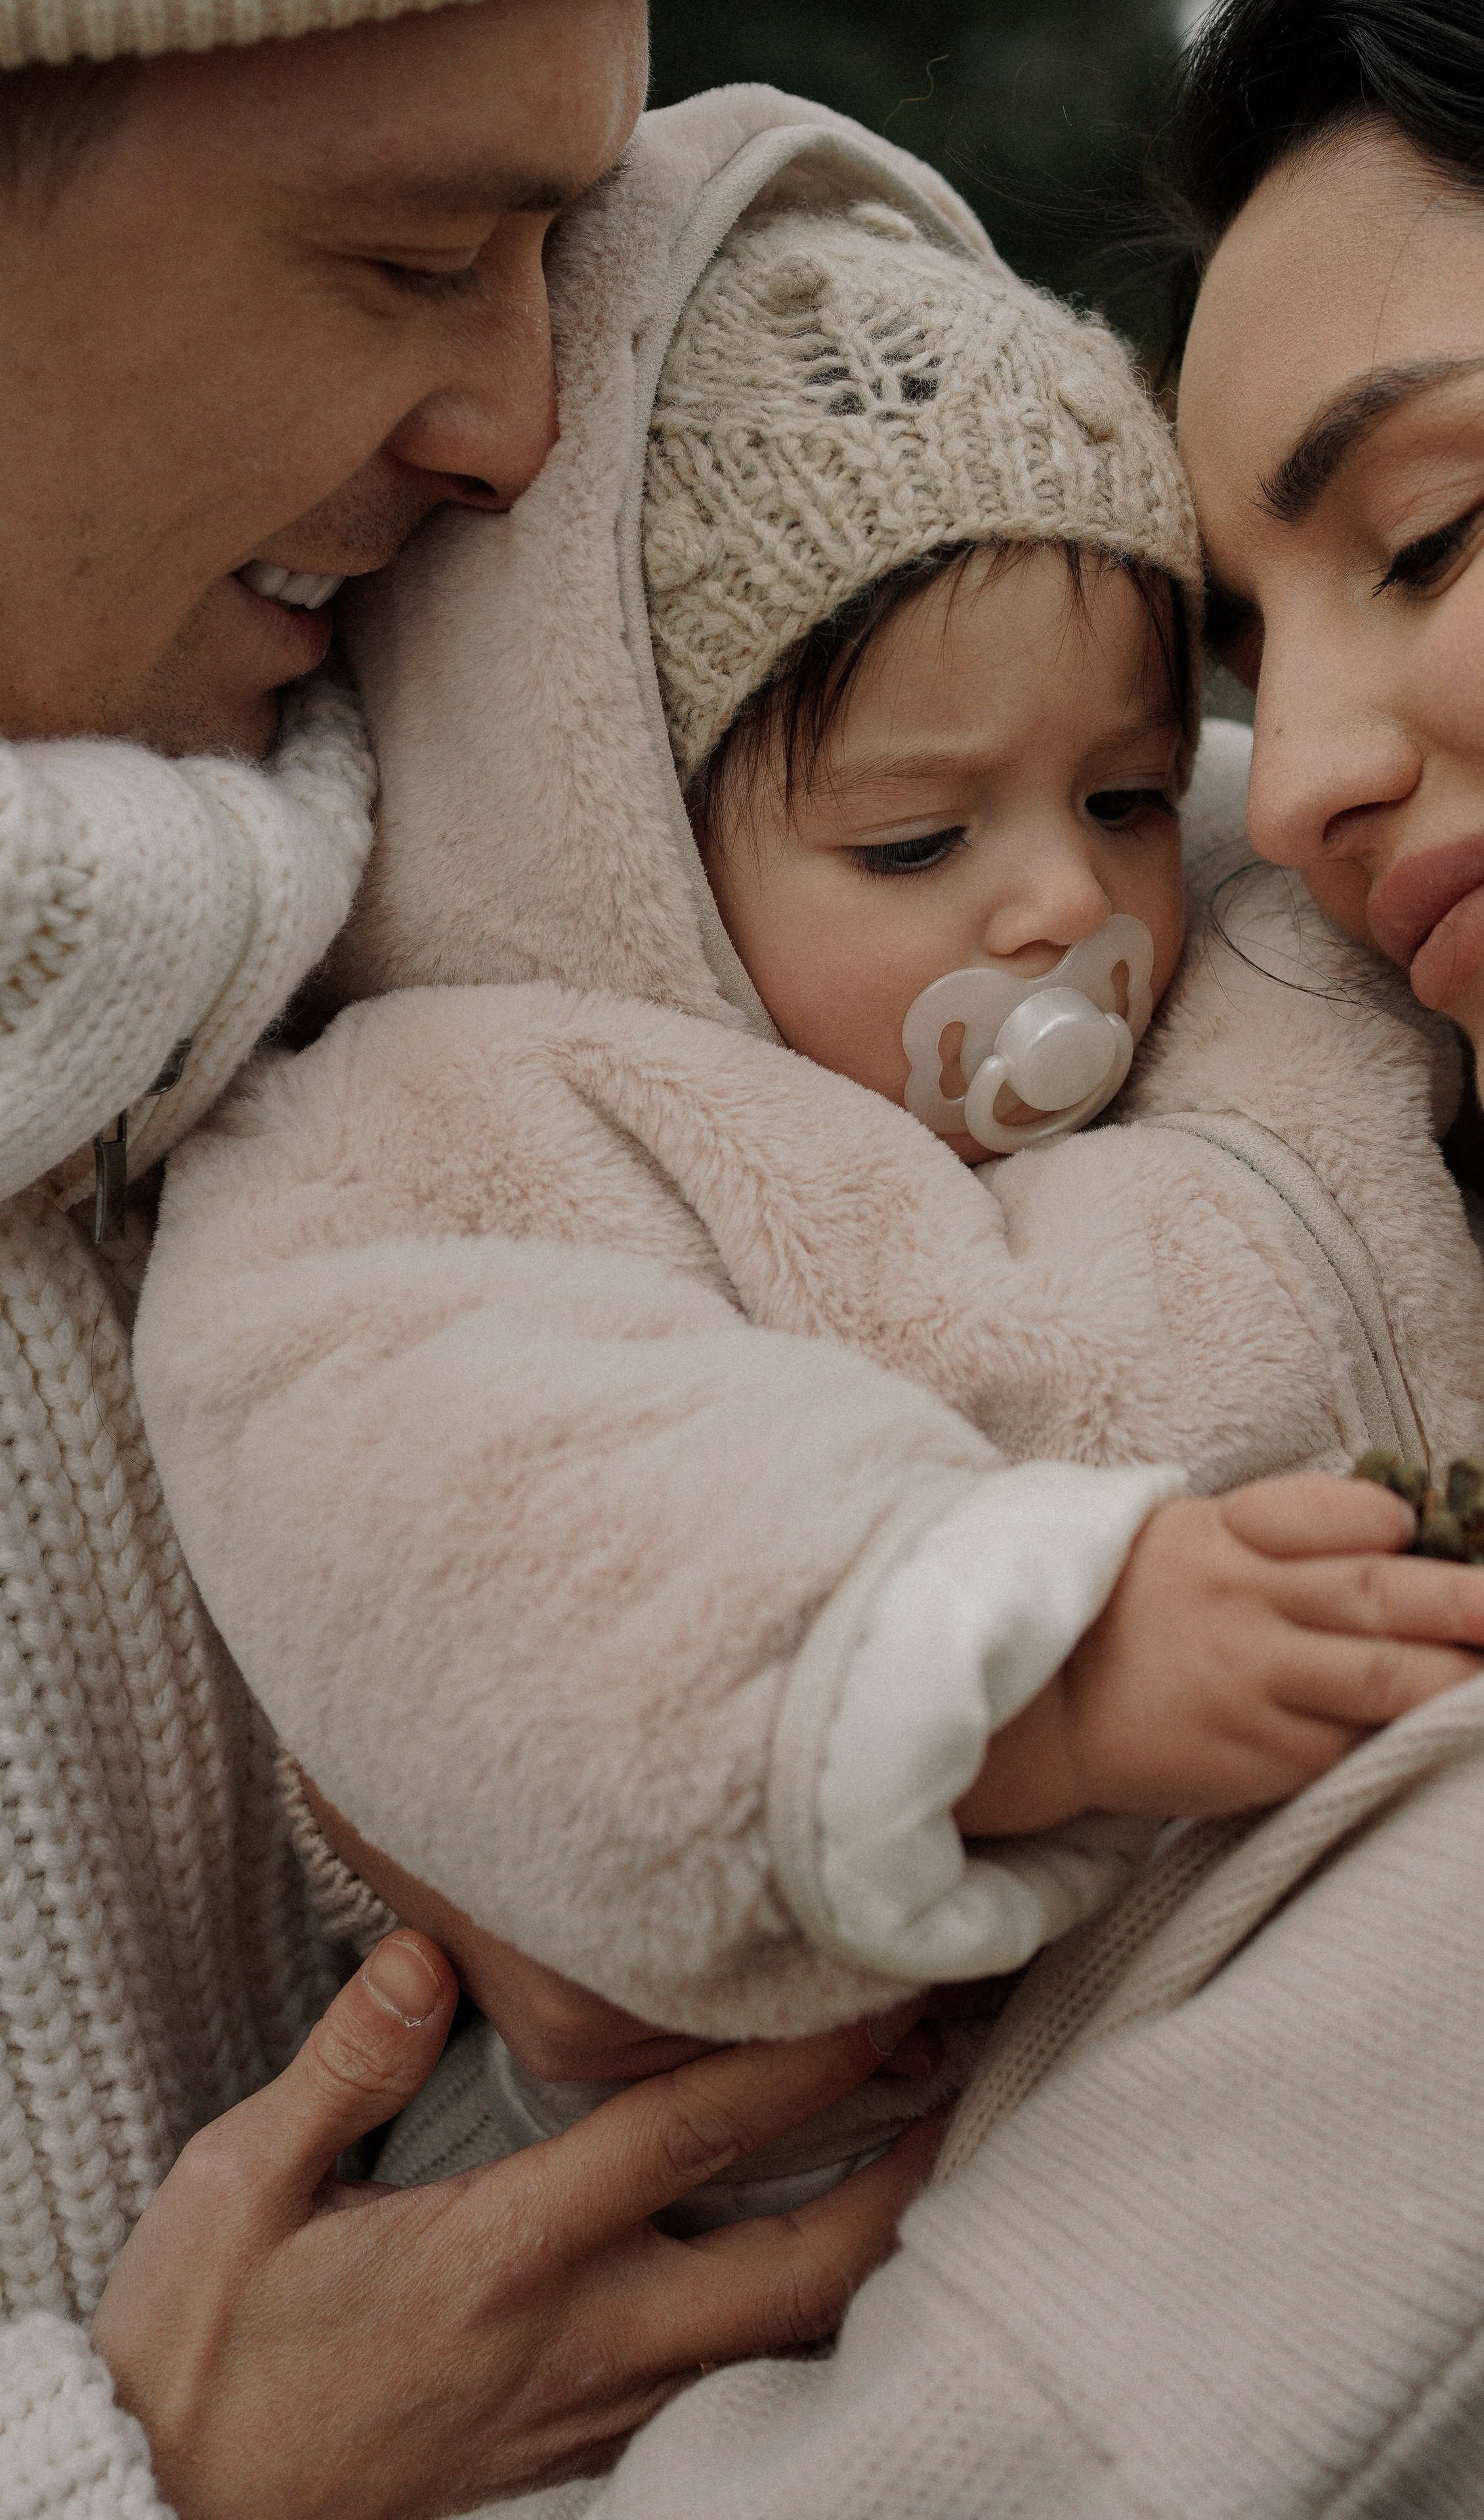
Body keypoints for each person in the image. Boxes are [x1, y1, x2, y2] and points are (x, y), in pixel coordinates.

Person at [201, 5, 1484, 2510]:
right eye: (1262, 644)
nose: (1301, 781)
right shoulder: (494, 1134)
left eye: (1428, 537)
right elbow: (478, 1478)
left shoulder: (1281, 984)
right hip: (692, 2166)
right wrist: (991, 1663)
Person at [0, 10, 950, 2517]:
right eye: (416, 256)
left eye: (561, 253)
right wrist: (141, 2477)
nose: (522, 426)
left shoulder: (468, 896)